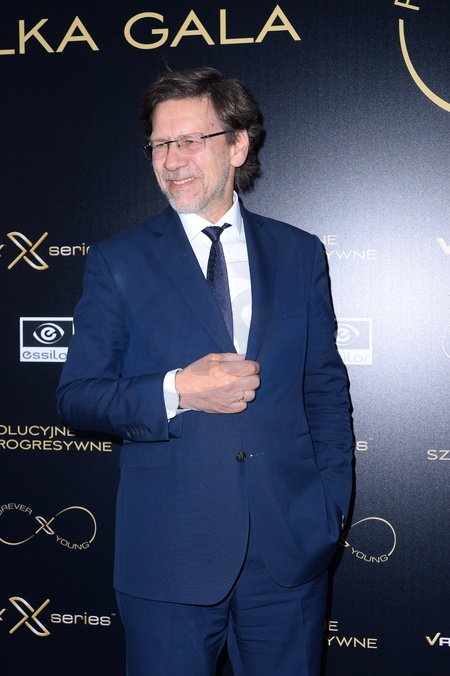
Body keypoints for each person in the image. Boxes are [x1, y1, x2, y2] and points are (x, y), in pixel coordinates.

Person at [57, 66, 353, 676]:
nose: (172, 160)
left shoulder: (300, 252)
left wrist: (328, 513)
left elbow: (324, 390)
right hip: (168, 553)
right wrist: (178, 391)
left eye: (190, 140)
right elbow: (78, 397)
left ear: (237, 144)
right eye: (160, 144)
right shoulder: (118, 260)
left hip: (289, 553)